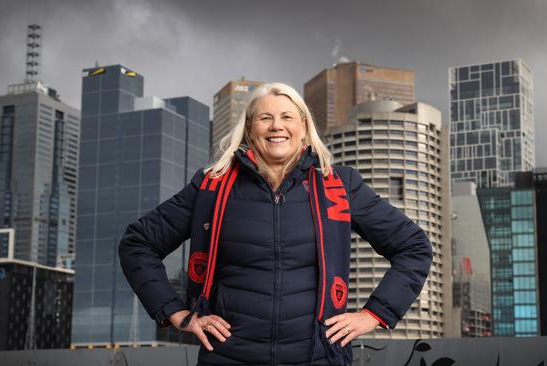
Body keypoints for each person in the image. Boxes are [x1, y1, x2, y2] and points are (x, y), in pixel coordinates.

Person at [118, 82, 433, 365]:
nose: (276, 126)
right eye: (265, 118)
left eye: (287, 117)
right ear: (250, 128)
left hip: (318, 357)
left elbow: (414, 247)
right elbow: (138, 244)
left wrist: (374, 314)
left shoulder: (338, 186)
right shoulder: (212, 187)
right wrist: (177, 314)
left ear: (303, 126)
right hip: (229, 357)